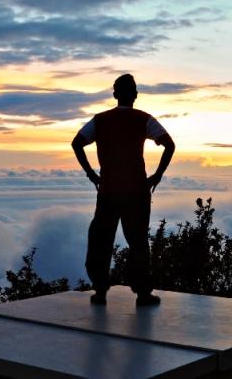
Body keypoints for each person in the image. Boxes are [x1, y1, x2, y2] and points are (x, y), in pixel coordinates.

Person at [71, 73, 175, 306]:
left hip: (108, 191)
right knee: (138, 242)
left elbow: (76, 143)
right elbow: (170, 144)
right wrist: (157, 176)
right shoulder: (144, 119)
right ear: (136, 95)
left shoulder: (100, 120)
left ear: (115, 94)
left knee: (100, 239)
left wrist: (91, 173)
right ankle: (143, 293)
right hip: (137, 192)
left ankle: (100, 291)